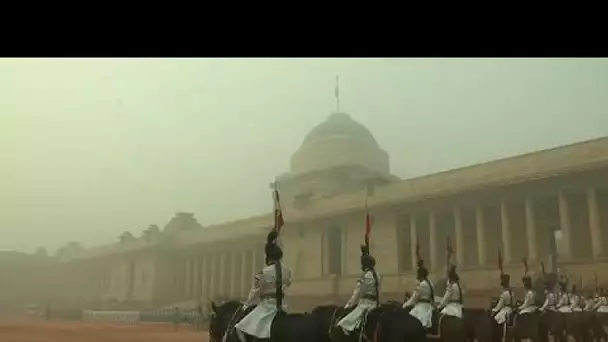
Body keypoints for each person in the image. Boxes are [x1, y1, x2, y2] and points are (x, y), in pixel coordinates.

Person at [234, 230, 292, 342]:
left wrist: (246, 305)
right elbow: (288, 283)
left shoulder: (263, 272)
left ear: (268, 257)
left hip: (267, 307)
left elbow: (255, 291)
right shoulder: (287, 271)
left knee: (239, 328)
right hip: (283, 307)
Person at [336, 244, 380, 335]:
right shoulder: (378, 276)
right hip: (375, 305)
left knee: (343, 324)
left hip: (364, 306)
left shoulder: (364, 277)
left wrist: (348, 306)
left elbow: (357, 293)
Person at [403, 259, 434, 329]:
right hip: (429, 306)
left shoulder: (421, 285)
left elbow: (414, 299)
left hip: (421, 307)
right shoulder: (430, 283)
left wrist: (404, 305)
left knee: (410, 318)